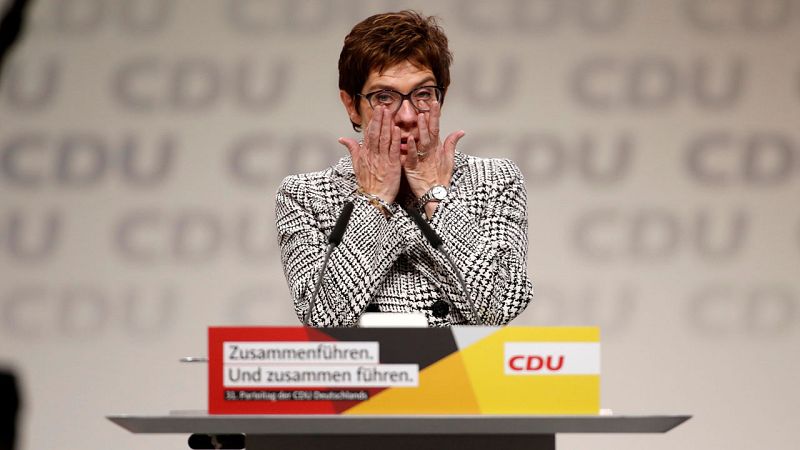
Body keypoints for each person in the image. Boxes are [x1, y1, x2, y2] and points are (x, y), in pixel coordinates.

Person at [276, 10, 533, 326]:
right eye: (384, 97)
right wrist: (374, 201)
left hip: (464, 360)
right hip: (366, 360)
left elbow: (500, 307)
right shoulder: (306, 195)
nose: (408, 116)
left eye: (423, 94)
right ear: (351, 105)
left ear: (441, 98)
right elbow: (322, 320)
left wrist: (433, 193)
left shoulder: (494, 181)